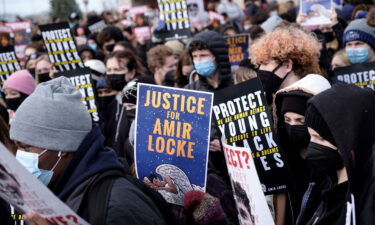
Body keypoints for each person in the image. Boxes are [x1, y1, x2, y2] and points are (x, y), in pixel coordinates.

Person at [9, 77, 169, 225]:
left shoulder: (117, 205)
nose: (20, 156)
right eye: (17, 146)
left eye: (27, 147)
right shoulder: (57, 190)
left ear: (62, 148)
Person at [297, 83, 375, 224]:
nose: (312, 145)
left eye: (320, 138)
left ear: (346, 140)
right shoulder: (324, 180)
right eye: (310, 136)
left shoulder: (368, 197)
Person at [273, 74, 331, 222]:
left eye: (300, 120)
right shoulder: (283, 154)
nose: (292, 125)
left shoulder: (330, 158)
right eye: (287, 120)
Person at [250, 25, 322, 105]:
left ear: (288, 65)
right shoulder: (282, 97)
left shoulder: (298, 103)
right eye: (259, 64)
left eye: (265, 63)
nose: (260, 69)